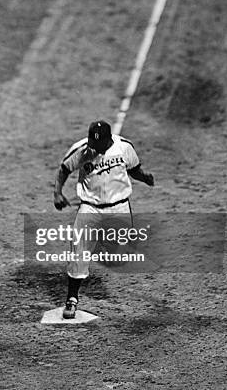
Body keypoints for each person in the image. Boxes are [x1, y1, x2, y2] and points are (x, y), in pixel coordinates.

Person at [53, 120, 154, 318]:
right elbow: (64, 169)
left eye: (98, 145)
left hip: (118, 207)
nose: (94, 148)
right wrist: (57, 193)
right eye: (92, 143)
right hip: (90, 208)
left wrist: (145, 178)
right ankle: (72, 299)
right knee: (78, 252)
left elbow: (134, 169)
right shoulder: (82, 150)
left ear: (108, 140)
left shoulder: (124, 147)